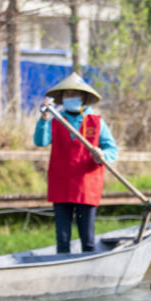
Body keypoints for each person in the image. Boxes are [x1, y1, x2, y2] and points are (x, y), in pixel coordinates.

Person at [34, 72, 118, 253]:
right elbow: (41, 141)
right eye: (67, 94)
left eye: (75, 94)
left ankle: (89, 265)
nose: (71, 97)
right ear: (62, 98)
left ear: (83, 98)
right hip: (61, 183)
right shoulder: (55, 120)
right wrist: (44, 118)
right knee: (62, 238)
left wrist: (102, 154)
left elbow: (112, 150)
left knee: (87, 239)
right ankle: (62, 264)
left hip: (87, 184)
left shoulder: (96, 122)